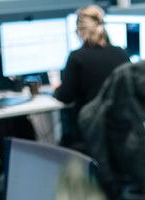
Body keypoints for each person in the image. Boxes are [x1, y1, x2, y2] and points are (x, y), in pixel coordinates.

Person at [53, 5, 130, 149]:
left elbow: (65, 96)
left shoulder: (77, 57)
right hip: (119, 132)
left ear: (80, 32)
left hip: (89, 131)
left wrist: (57, 90)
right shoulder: (121, 53)